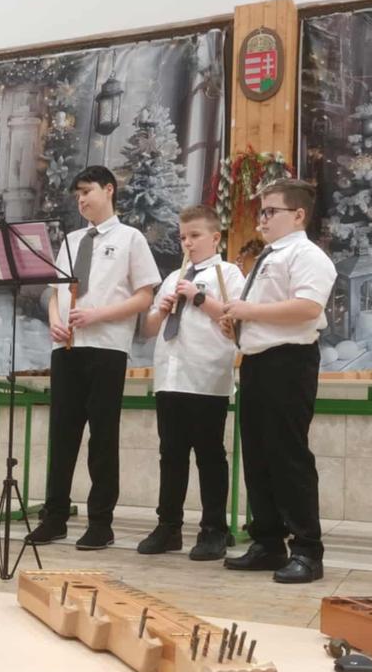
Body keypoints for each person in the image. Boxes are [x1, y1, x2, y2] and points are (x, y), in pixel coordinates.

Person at [25, 166, 160, 551]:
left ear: (109, 190)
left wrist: (98, 315)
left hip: (106, 348)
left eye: (87, 191)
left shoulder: (130, 238)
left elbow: (144, 296)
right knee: (62, 435)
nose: (81, 200)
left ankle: (101, 522)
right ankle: (54, 517)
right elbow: (56, 293)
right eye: (78, 195)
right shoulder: (71, 240)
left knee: (102, 437)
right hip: (67, 349)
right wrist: (55, 320)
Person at [221, 179, 336, 584]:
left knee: (288, 456)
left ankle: (307, 549)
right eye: (262, 211)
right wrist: (237, 325)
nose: (262, 219)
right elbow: (266, 312)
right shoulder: (271, 255)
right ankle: (268, 542)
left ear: (298, 215)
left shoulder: (307, 255)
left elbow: (307, 307)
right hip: (256, 362)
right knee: (257, 456)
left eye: (271, 211)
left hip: (288, 363)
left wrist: (248, 312)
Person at [137, 205, 245, 561]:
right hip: (170, 375)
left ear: (215, 238)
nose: (188, 243)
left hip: (206, 376)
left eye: (195, 236)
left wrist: (197, 297)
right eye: (183, 237)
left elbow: (233, 319)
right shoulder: (173, 277)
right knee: (171, 454)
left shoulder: (228, 274)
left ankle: (214, 529)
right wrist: (161, 308)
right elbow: (149, 329)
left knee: (210, 455)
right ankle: (168, 526)